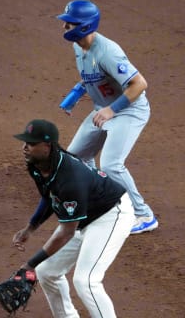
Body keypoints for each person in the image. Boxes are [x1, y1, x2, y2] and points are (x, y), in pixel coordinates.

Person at [12, 119, 135, 318]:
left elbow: (66, 232)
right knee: (47, 272)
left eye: (31, 143)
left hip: (111, 215)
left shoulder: (70, 179)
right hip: (85, 216)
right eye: (24, 142)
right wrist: (31, 227)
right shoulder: (36, 165)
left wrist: (30, 264)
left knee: (86, 281)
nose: (25, 148)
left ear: (47, 146)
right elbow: (49, 195)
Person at [57, 0, 158, 234]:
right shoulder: (78, 46)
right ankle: (99, 198)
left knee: (112, 164)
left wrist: (111, 110)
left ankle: (144, 215)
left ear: (83, 26)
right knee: (76, 158)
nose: (64, 28)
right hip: (104, 108)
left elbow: (139, 84)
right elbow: (91, 76)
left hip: (128, 110)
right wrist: (74, 95)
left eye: (69, 24)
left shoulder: (107, 52)